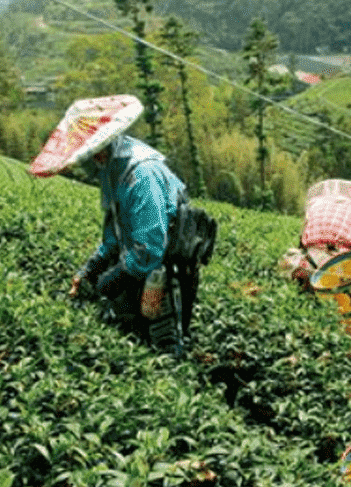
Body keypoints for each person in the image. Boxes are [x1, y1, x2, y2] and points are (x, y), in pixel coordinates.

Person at [30, 95, 215, 352]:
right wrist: (88, 273)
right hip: (141, 267)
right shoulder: (111, 171)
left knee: (164, 345)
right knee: (133, 338)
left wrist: (110, 281)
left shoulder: (141, 174)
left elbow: (149, 249)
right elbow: (113, 238)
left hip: (164, 271)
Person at [279, 179, 351, 289]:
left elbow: (302, 240)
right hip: (340, 259)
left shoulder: (315, 205)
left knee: (292, 260)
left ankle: (309, 276)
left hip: (312, 254)